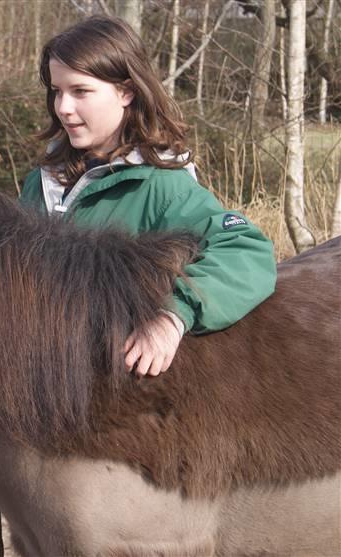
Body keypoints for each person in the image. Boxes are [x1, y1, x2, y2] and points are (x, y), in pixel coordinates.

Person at [19, 15, 277, 377]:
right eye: (57, 91)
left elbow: (246, 250)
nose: (63, 107)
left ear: (126, 92)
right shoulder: (41, 183)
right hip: (35, 395)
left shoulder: (162, 187)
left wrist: (172, 317)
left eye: (80, 91)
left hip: (112, 405)